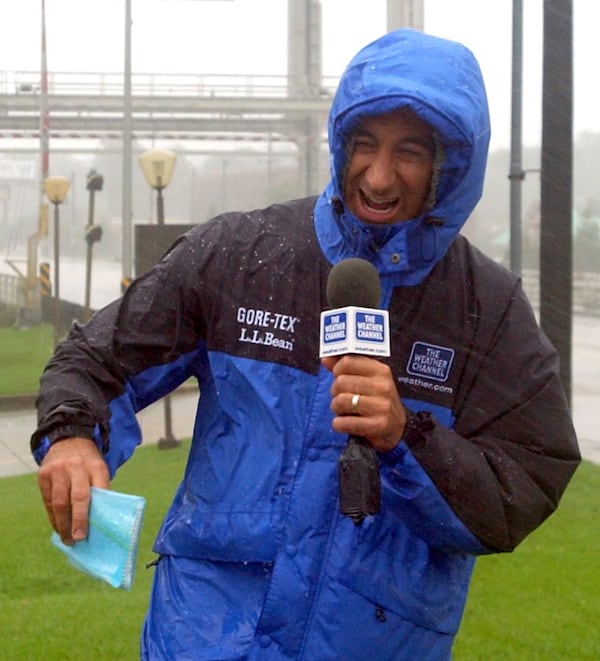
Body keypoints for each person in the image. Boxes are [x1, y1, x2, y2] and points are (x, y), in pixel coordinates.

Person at [31, 28, 580, 660]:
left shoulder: (488, 305)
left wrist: (407, 436)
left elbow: (524, 484)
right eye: (365, 144)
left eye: (409, 152)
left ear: (450, 165)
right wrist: (72, 434)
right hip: (202, 638)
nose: (377, 176)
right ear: (339, 142)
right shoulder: (239, 253)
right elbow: (95, 360)